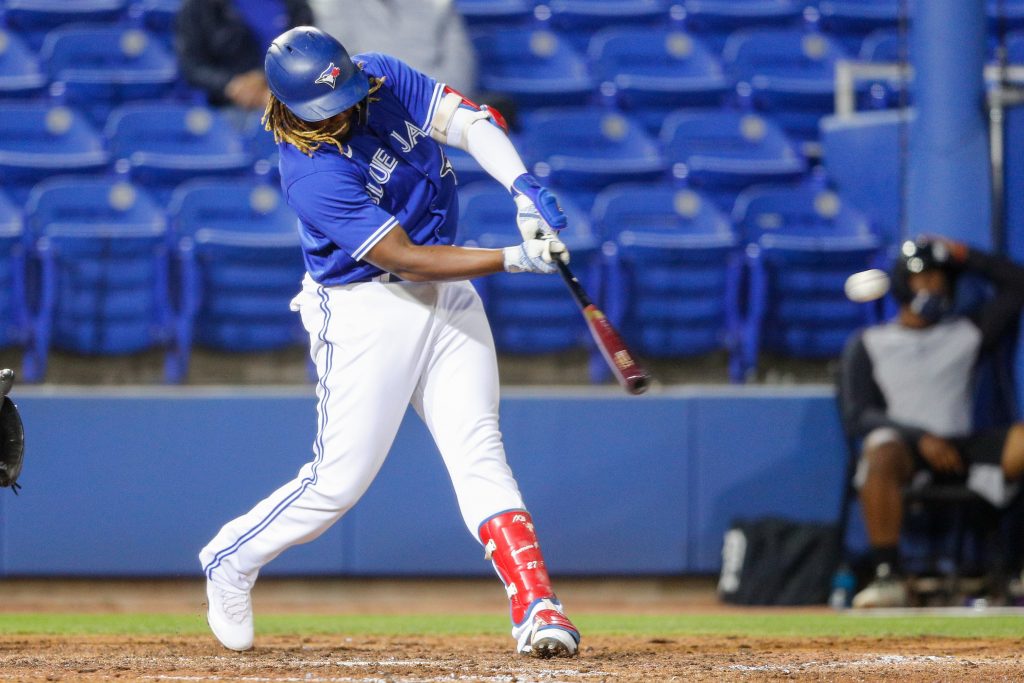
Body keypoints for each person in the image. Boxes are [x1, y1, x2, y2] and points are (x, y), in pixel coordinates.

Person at [198, 26, 581, 659]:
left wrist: (520, 187)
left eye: (344, 93)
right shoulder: (310, 172)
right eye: (327, 105)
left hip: (448, 296)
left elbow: (468, 122)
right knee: (336, 484)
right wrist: (513, 258)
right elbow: (406, 260)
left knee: (480, 454)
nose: (344, 109)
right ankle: (231, 559)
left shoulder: (379, 75)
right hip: (365, 308)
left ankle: (536, 604)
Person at [840, 236, 1024, 608]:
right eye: (923, 278)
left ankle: (1017, 568)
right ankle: (887, 575)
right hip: (906, 448)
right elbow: (858, 416)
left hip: (959, 444)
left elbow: (1017, 283)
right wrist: (920, 437)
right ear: (902, 284)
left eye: (940, 279)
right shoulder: (870, 342)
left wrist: (961, 253)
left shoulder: (966, 332)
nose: (932, 287)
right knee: (880, 451)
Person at [309, 0, 477, 98]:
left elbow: (461, 76)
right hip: (369, 113)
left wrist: (422, 105)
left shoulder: (438, 4)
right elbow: (333, 73)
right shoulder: (333, 5)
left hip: (434, 110)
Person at [176, 0, 313, 114]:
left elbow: (304, 48)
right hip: (226, 102)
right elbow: (192, 67)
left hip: (286, 92)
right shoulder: (198, 7)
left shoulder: (295, 6)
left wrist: (263, 78)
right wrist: (231, 85)